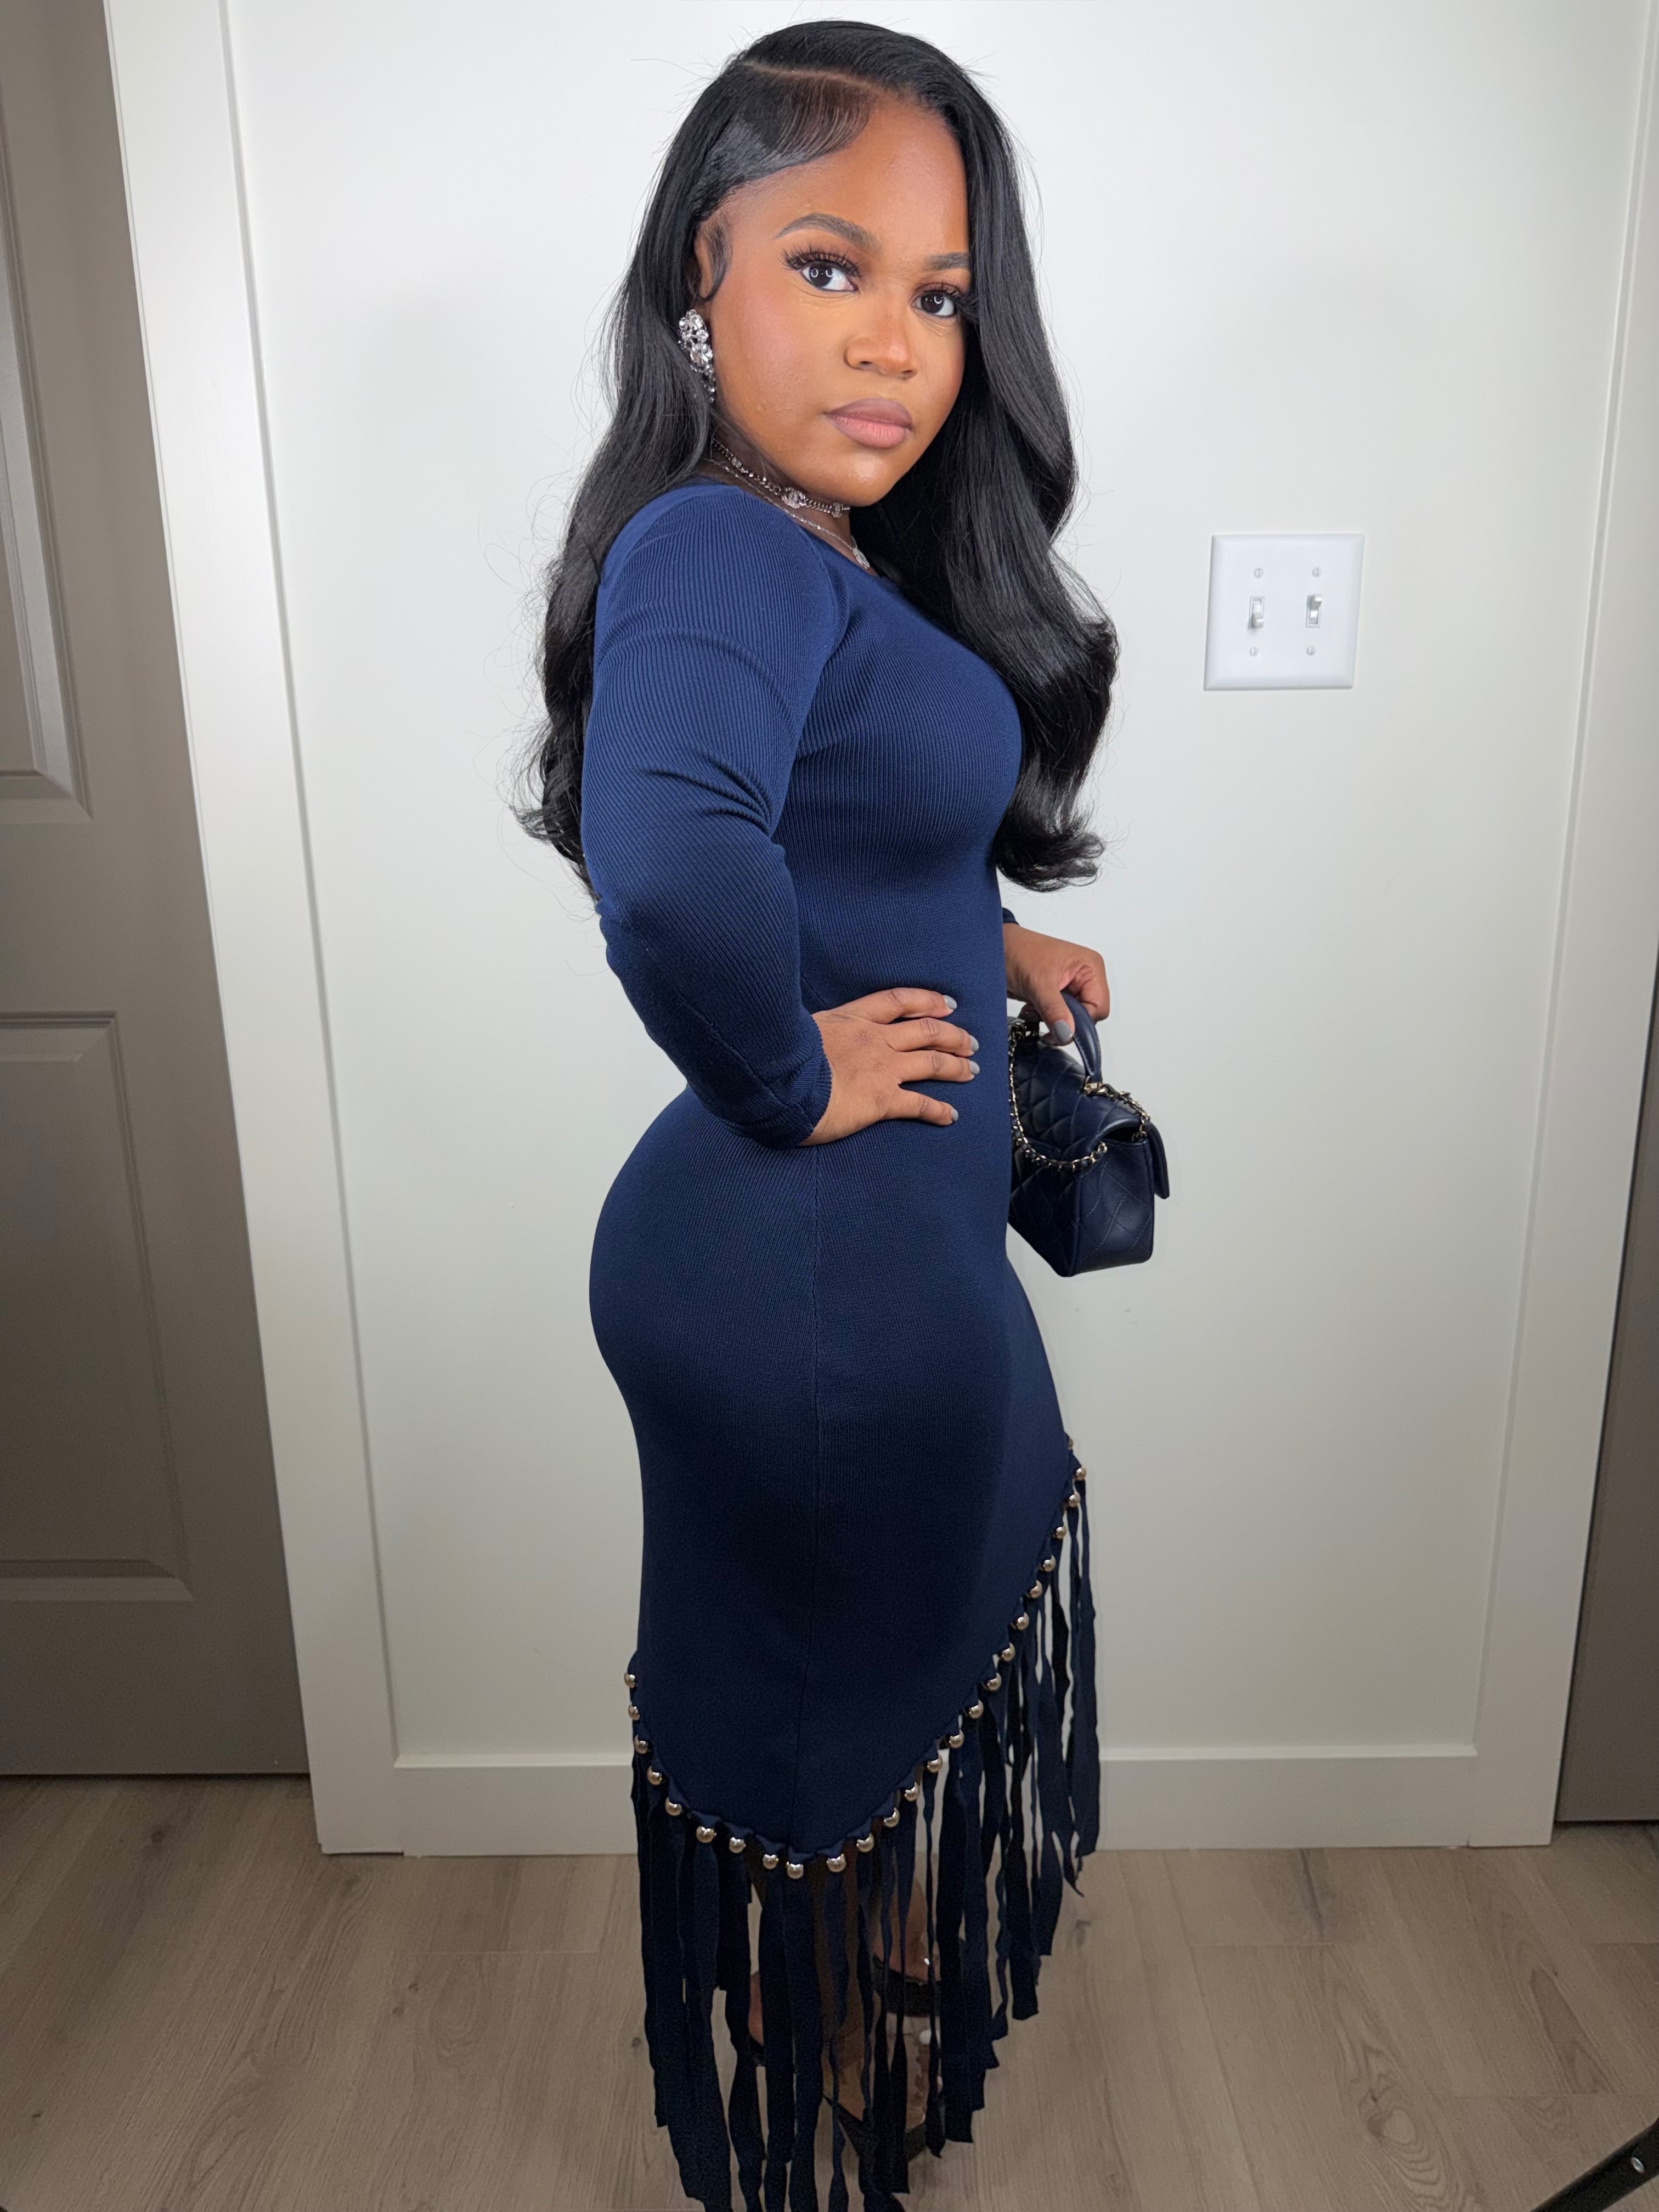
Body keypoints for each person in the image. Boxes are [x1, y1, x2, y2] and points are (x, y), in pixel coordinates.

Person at [520, 21, 1118, 2207]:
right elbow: (677, 868)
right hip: (809, 1283)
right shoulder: (721, 551)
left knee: (842, 1699)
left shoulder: (809, 552)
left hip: (828, 1266)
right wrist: (791, 1070)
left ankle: (843, 2038)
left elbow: (826, 832)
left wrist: (991, 942)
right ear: (702, 276)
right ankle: (822, 2093)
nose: (897, 342)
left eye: (940, 293)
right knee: (822, 1730)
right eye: (830, 266)